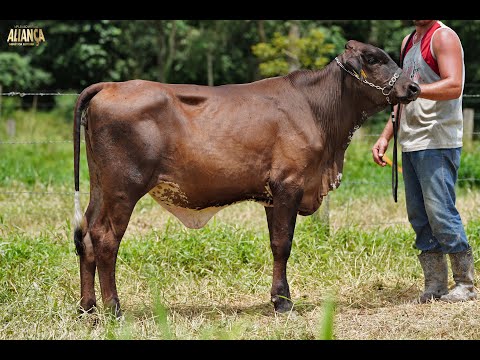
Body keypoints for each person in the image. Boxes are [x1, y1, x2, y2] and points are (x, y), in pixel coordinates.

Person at [372, 20, 477, 303]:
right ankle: (435, 285)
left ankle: (466, 284)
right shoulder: (409, 42)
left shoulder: (443, 37)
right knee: (419, 216)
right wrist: (386, 136)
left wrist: (416, 90)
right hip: (411, 140)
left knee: (440, 212)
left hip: (438, 139)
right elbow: (401, 95)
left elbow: (454, 85)